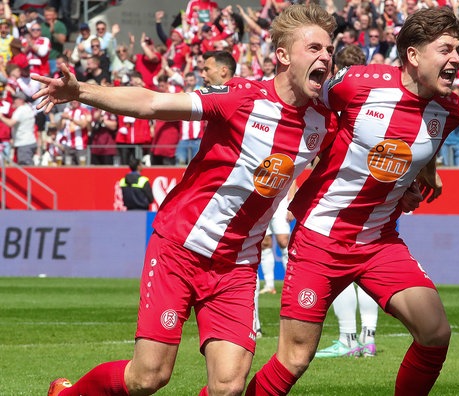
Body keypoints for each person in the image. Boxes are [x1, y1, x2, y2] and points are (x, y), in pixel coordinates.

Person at [35, 4, 339, 396]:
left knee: (228, 388)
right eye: (314, 48)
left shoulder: (323, 119)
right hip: (180, 248)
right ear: (282, 55)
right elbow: (153, 104)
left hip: (236, 266)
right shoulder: (240, 98)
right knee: (149, 377)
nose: (325, 58)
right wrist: (82, 92)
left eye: (329, 50)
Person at [246, 7, 459, 394]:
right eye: (446, 49)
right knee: (294, 359)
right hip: (320, 238)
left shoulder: (451, 110)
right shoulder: (360, 82)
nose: (457, 59)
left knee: (435, 333)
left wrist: (419, 179)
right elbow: (306, 104)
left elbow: (423, 150)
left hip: (379, 242)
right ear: (413, 56)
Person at [313, 43, 380, 359]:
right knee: (366, 265)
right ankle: (368, 340)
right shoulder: (379, 94)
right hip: (376, 190)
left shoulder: (336, 93)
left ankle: (346, 338)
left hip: (340, 190)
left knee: (336, 268)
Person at [0, 91, 37, 165]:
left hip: (24, 144)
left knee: (26, 168)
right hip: (30, 142)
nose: (13, 101)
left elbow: (10, 123)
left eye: (15, 99)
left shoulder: (20, 110)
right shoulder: (28, 108)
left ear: (21, 100)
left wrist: (0, 116)